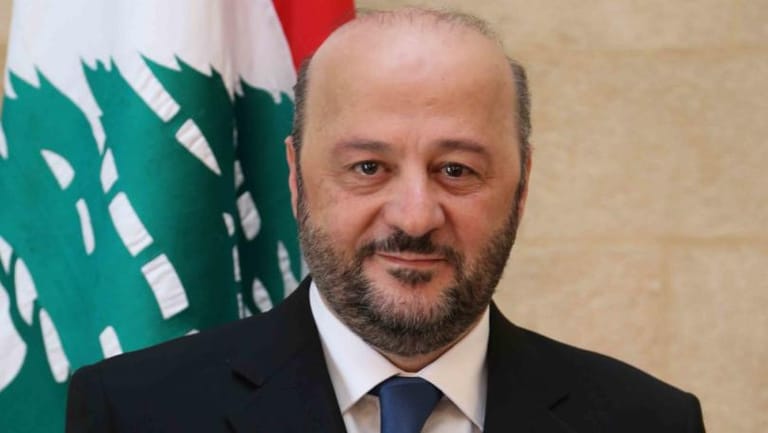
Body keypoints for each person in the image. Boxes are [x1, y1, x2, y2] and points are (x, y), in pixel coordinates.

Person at [66, 8, 706, 433]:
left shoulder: (648, 422)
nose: (415, 216)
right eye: (368, 167)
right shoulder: (134, 413)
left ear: (522, 185)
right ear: (295, 176)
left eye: (456, 169)